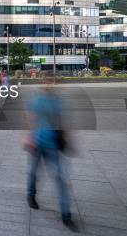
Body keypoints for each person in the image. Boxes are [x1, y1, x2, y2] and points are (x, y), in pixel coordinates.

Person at [25, 83, 77, 232]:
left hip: (53, 145)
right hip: (37, 142)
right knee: (33, 172)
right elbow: (29, 119)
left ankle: (66, 214)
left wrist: (70, 141)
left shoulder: (58, 101)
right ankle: (31, 195)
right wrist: (29, 137)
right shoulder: (35, 99)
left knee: (60, 178)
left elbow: (64, 122)